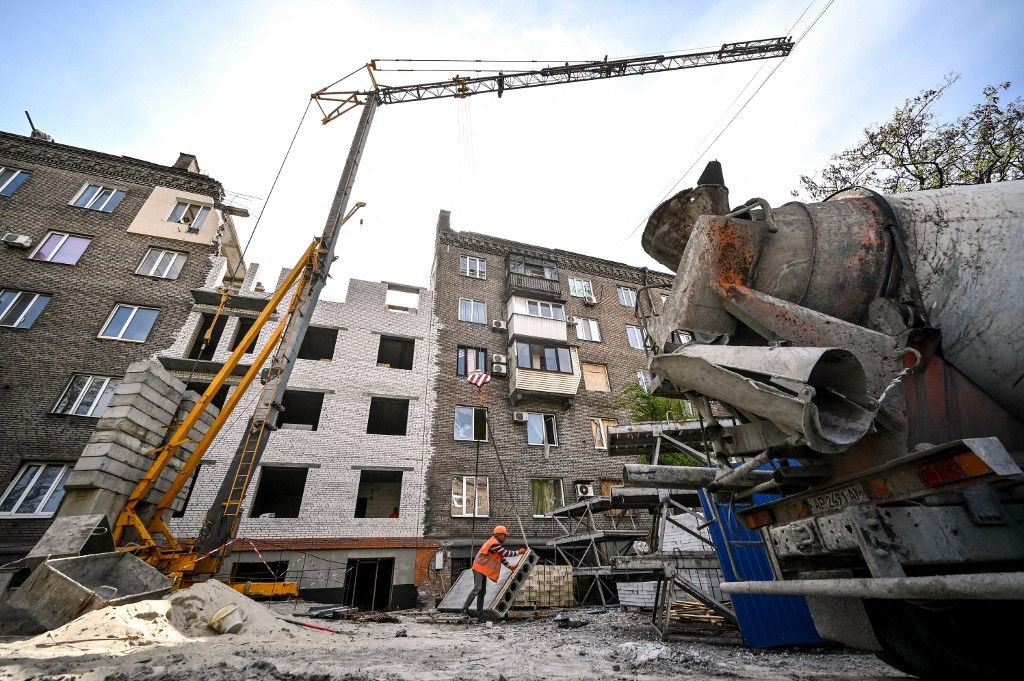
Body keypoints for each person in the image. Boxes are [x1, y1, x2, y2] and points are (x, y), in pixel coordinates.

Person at [461, 525, 526, 621]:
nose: (505, 537)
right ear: (498, 535)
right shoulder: (494, 543)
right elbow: (505, 553)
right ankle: (464, 609)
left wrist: (510, 567)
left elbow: (501, 558)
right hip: (479, 568)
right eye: (504, 535)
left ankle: (480, 615)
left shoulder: (495, 544)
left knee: (482, 592)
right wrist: (518, 552)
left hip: (482, 569)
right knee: (477, 588)